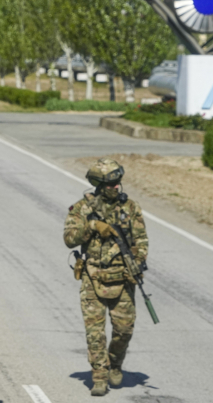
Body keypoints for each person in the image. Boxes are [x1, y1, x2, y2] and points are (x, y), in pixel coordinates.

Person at [64, 158, 148, 397]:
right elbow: (69, 238)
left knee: (124, 330)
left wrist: (137, 263)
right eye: (110, 184)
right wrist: (92, 227)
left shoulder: (130, 208)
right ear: (99, 185)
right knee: (95, 333)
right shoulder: (82, 208)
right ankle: (99, 376)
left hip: (122, 278)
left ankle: (115, 363)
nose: (116, 188)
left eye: (118, 183)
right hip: (93, 277)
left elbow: (141, 240)